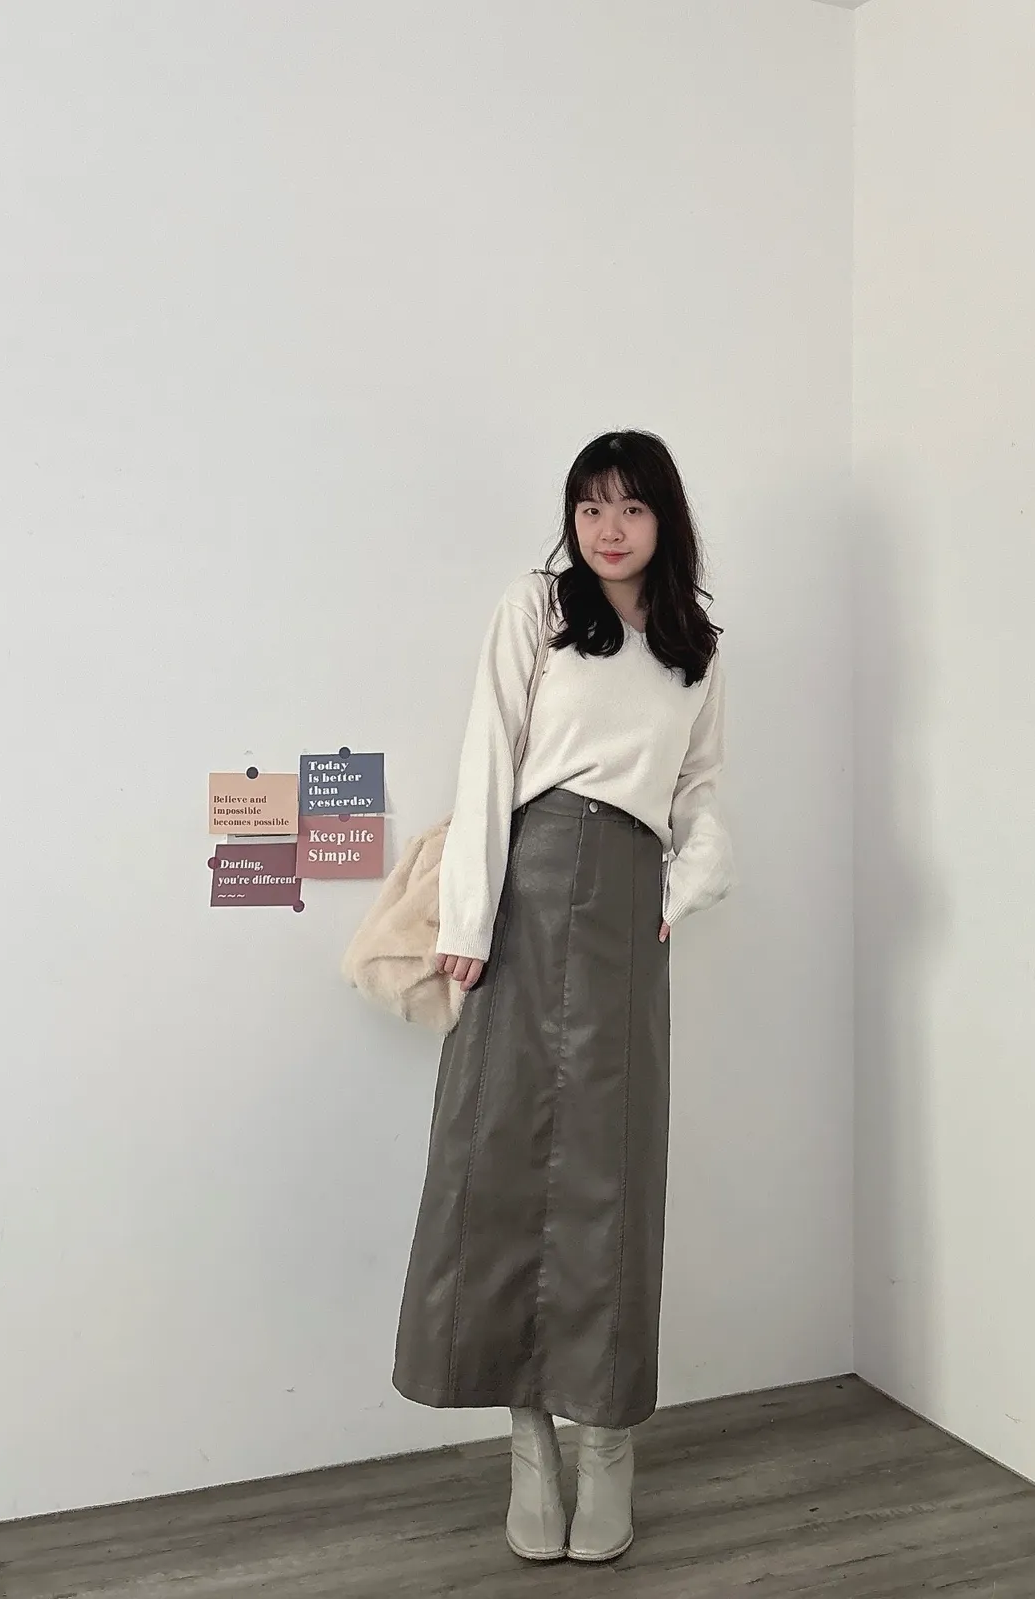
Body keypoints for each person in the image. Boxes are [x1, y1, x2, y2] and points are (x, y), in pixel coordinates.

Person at [392, 429, 734, 1563]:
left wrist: (679, 890)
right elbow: (489, 755)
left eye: (630, 507)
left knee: (610, 1174)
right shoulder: (537, 608)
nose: (607, 528)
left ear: (664, 519)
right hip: (527, 891)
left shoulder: (696, 646)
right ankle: (529, 1442)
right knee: (497, 1159)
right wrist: (465, 917)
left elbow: (702, 790)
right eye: (589, 506)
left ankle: (609, 1442)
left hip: (631, 905)